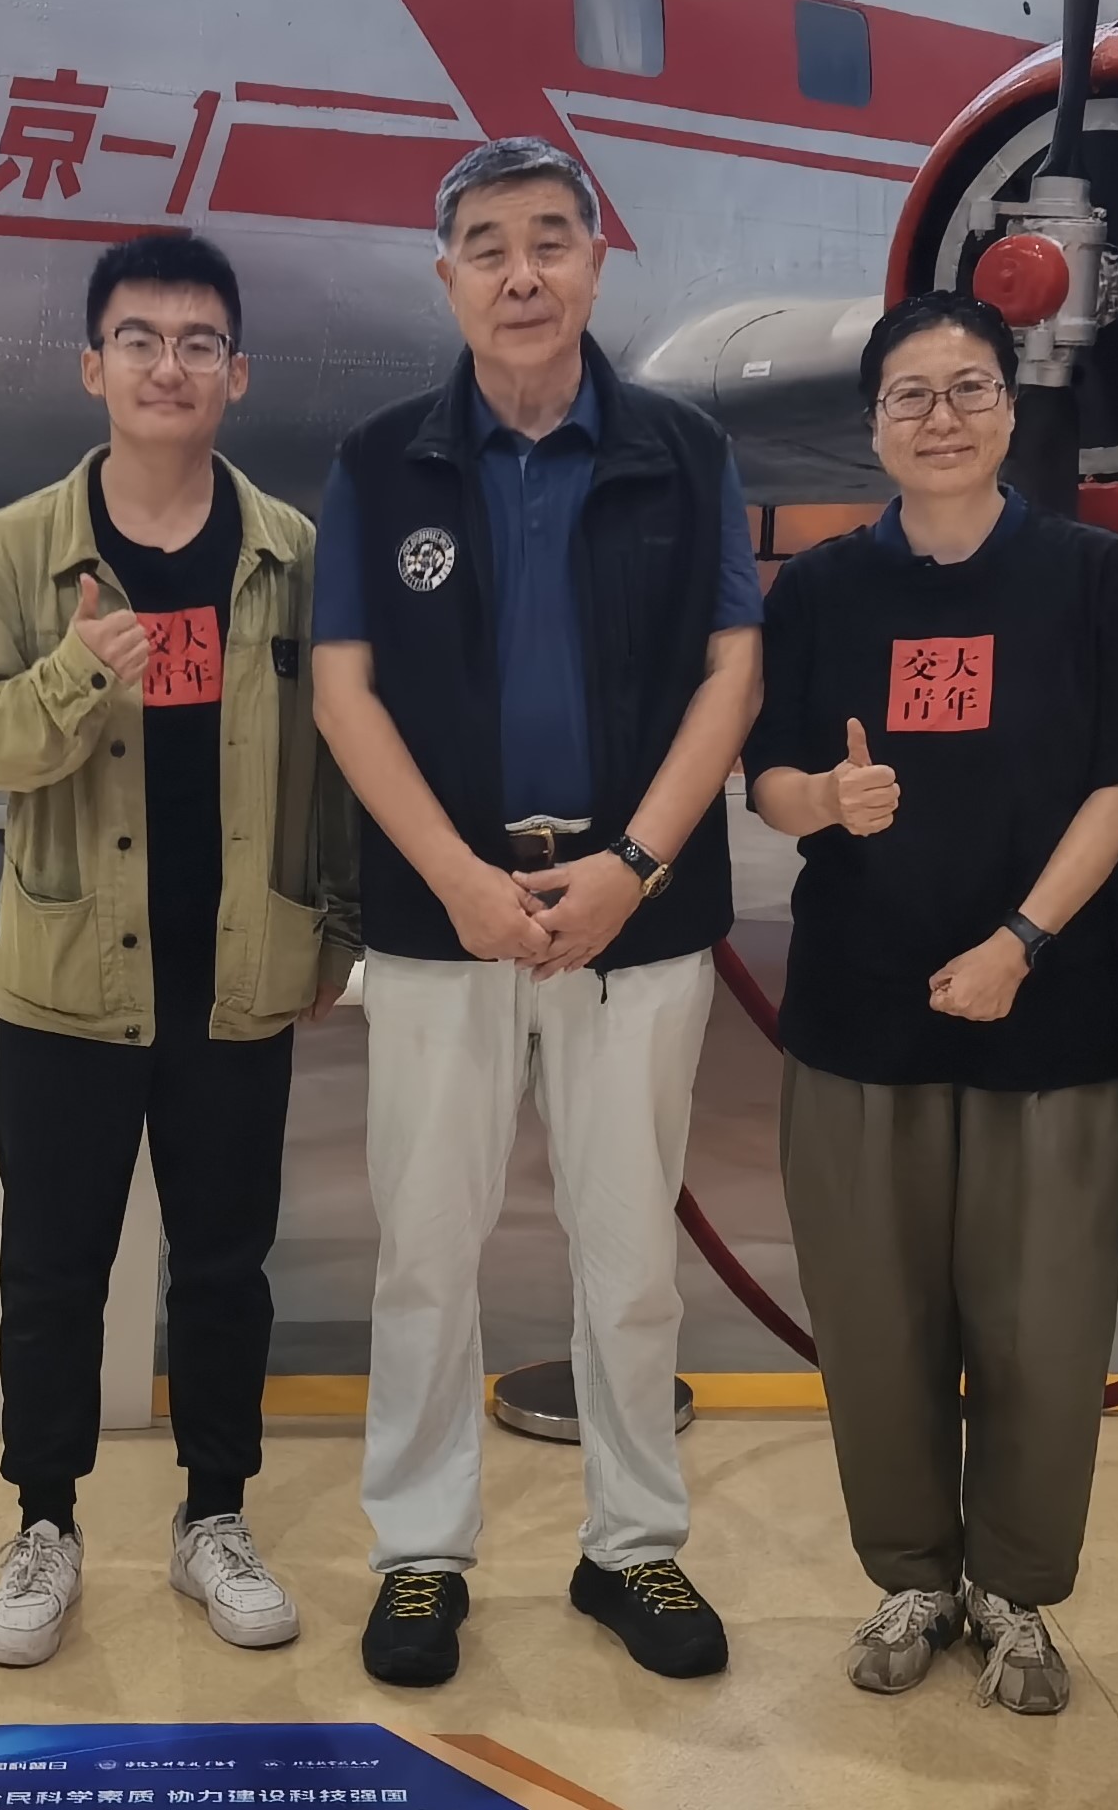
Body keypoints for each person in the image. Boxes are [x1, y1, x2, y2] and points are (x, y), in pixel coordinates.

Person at [311, 136, 765, 1689]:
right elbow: (344, 689)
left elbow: (732, 674)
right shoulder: (381, 460)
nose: (522, 273)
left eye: (551, 240)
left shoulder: (683, 452)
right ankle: (420, 1553)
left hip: (634, 917)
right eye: (489, 247)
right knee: (425, 1254)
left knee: (629, 1256)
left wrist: (633, 862)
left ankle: (632, 1545)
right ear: (446, 278)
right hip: (441, 917)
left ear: (595, 263)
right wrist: (455, 877)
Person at [0, 229, 360, 1671]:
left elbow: (342, 760)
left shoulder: (292, 557)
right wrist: (70, 675)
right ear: (92, 367)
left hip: (235, 979)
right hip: (67, 985)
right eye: (141, 341)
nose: (171, 366)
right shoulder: (16, 553)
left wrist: (336, 927)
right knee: (52, 1269)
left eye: (198, 343)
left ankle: (213, 1515)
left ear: (239, 373)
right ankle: (43, 1526)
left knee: (226, 1265)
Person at [744, 291, 1118, 1715]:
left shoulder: (1094, 578)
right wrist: (828, 799)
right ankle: (913, 1576)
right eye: (911, 396)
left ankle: (1017, 1592)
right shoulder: (820, 590)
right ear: (873, 423)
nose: (942, 418)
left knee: (1044, 1327)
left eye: (970, 389)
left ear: (1010, 407)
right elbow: (768, 779)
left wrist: (1022, 941)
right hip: (857, 1016)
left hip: (1047, 1019)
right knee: (874, 1324)